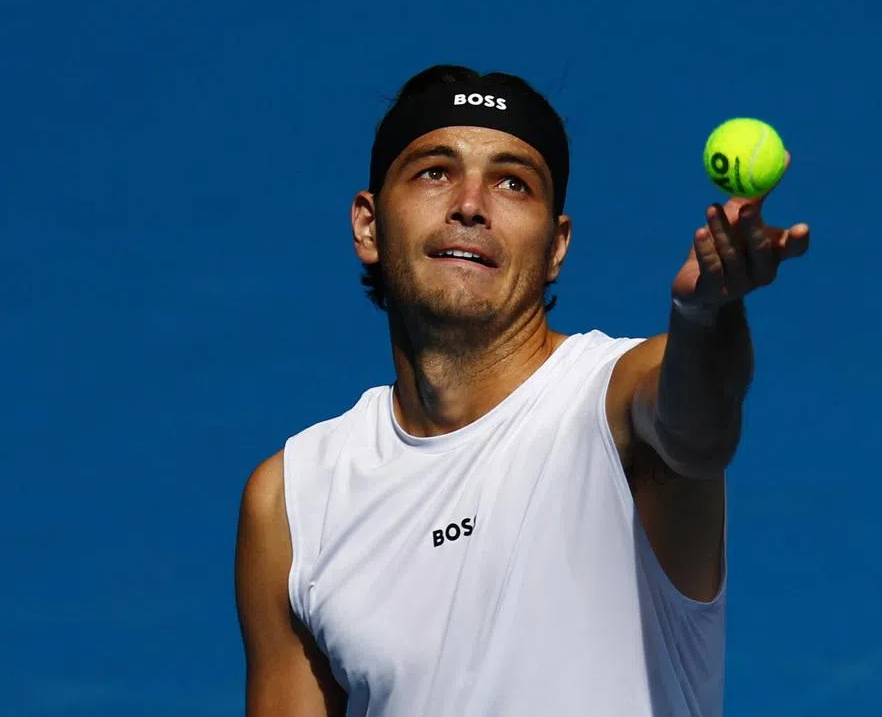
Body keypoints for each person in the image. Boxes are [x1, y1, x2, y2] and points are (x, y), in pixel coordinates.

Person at [234, 64, 810, 717]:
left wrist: (707, 315)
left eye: (513, 183)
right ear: (368, 225)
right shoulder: (293, 501)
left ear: (557, 246)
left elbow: (697, 429)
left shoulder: (614, 407)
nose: (471, 205)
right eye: (434, 172)